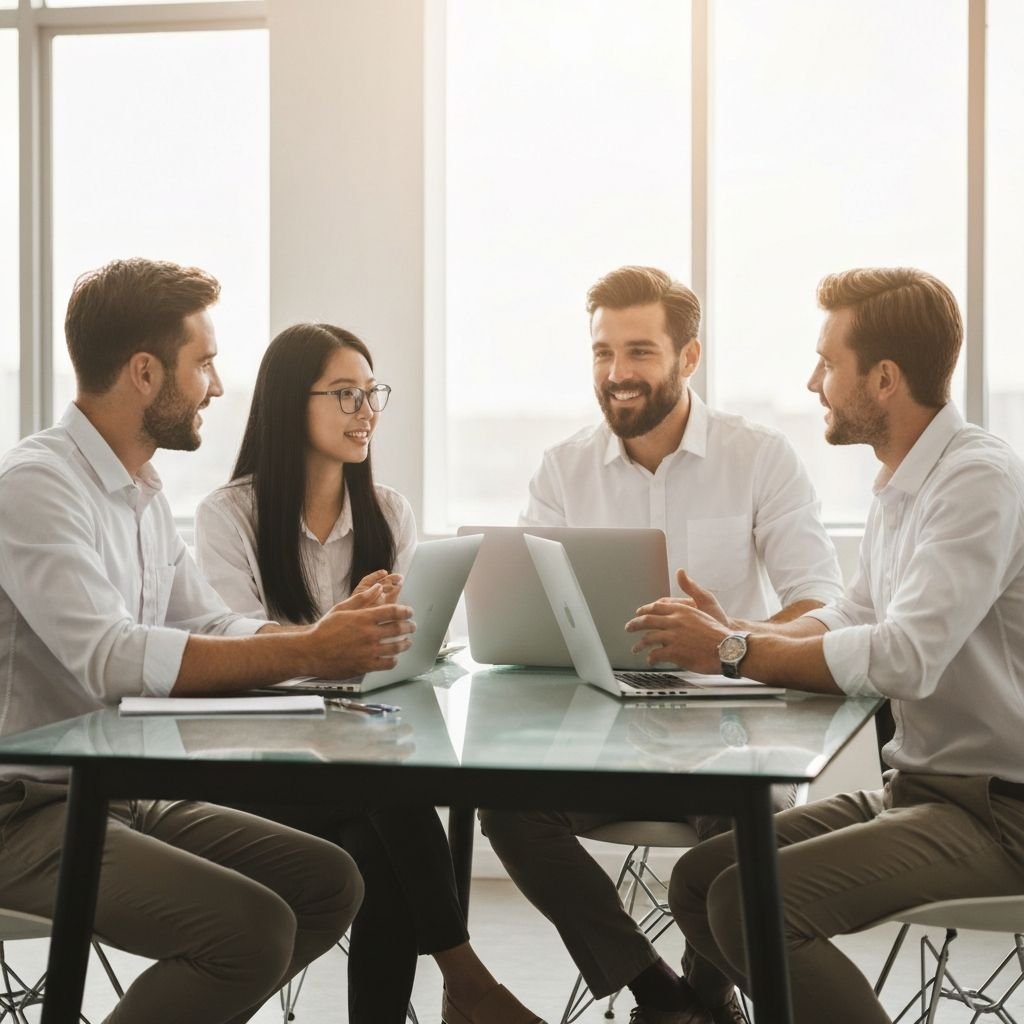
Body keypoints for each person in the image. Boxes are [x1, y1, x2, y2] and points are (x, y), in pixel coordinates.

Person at [0, 257, 421, 1023]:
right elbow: (111, 658)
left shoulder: (140, 494)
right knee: (251, 931)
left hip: (118, 790)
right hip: (23, 807)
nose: (218, 388)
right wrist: (310, 653)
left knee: (331, 883)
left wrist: (325, 638)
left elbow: (206, 623)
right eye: (204, 364)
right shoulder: (37, 485)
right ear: (144, 373)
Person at [624, 267, 1024, 1024]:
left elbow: (905, 655)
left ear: (883, 378)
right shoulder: (904, 482)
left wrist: (733, 654)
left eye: (827, 364)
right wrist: (737, 634)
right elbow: (855, 612)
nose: (813, 383)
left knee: (747, 906)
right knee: (698, 881)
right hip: (923, 790)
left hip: (1001, 812)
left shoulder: (977, 480)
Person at [481, 265, 845, 1024]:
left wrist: (728, 639)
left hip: (725, 735)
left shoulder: (759, 456)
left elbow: (822, 601)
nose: (617, 374)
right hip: (599, 736)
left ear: (689, 357)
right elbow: (529, 610)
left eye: (640, 352)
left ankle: (710, 987)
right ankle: (660, 995)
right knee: (505, 804)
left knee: (744, 821)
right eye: (602, 353)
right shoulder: (564, 468)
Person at [194, 322, 545, 1024]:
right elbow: (235, 651)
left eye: (371, 392)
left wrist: (405, 636)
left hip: (360, 766)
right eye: (345, 394)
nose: (367, 411)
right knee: (388, 794)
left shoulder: (389, 512)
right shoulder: (228, 515)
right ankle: (469, 984)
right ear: (292, 404)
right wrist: (329, 641)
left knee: (379, 827)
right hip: (261, 767)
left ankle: (460, 991)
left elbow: (424, 650)